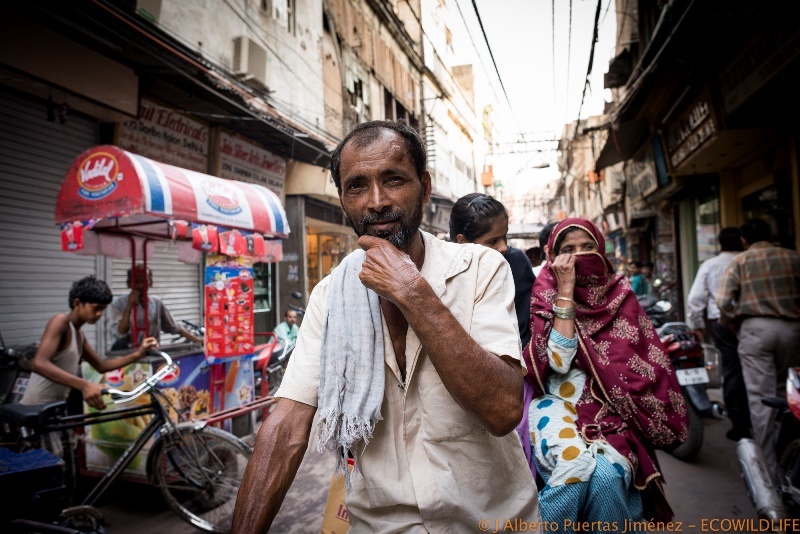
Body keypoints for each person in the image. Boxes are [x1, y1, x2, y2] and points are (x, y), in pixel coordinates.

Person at [233, 120, 540, 533]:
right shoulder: (330, 295)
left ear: (425, 188)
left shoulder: (480, 268)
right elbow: (287, 424)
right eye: (357, 186)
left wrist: (412, 292)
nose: (376, 202)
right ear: (342, 201)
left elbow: (503, 410)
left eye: (393, 179)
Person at [524, 218, 687, 529]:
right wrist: (567, 290)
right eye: (568, 250)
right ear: (553, 256)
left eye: (587, 248)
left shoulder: (620, 292)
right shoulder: (546, 290)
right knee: (574, 466)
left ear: (600, 249)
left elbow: (642, 359)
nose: (579, 256)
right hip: (556, 404)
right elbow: (558, 359)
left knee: (607, 477)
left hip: (611, 411)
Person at [449, 192, 536, 475]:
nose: (503, 248)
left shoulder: (516, 262)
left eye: (505, 238)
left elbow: (525, 327)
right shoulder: (445, 274)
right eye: (492, 241)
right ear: (462, 242)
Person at [717, 218, 800, 475]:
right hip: (793, 330)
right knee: (787, 394)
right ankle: (789, 456)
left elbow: (722, 301)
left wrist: (732, 322)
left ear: (744, 240)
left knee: (761, 400)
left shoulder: (741, 261)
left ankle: (768, 470)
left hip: (756, 330)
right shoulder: (792, 257)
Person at [21, 276, 158, 410]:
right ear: (77, 304)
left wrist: (138, 354)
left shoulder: (79, 335)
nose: (99, 314)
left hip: (55, 408)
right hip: (36, 408)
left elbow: (101, 365)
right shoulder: (60, 321)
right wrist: (84, 385)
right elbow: (39, 363)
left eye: (103, 309)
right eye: (96, 308)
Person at [687, 227, 750, 440]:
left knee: (732, 369)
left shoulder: (711, 265)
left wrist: (697, 325)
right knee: (756, 371)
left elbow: (695, 300)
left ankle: (740, 425)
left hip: (721, 322)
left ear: (720, 244)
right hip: (748, 320)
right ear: (742, 242)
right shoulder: (748, 260)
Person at [109, 267, 202, 350]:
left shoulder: (156, 302)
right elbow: (120, 331)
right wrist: (130, 305)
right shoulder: (119, 303)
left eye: (144, 281)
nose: (141, 286)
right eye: (137, 282)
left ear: (151, 282)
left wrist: (197, 340)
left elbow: (173, 327)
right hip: (126, 355)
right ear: (129, 283)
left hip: (151, 353)